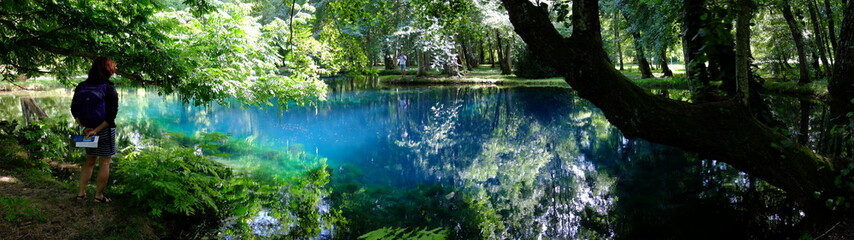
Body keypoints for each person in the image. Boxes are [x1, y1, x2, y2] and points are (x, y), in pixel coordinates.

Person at [71, 57, 119, 203]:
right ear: (109, 70)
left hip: (89, 131)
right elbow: (111, 116)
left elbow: (74, 110)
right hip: (104, 130)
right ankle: (98, 196)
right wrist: (97, 130)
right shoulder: (109, 88)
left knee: (89, 161)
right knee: (104, 163)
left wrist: (87, 128)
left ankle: (81, 194)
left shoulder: (81, 86)